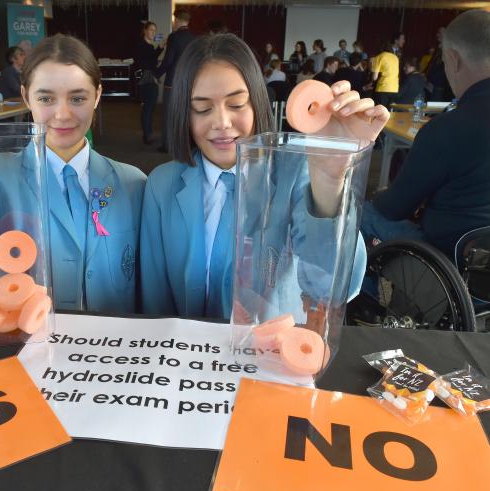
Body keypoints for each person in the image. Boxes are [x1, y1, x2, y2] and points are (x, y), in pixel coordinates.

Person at [140, 34, 389, 319]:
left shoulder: (294, 173)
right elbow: (154, 303)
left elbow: (329, 289)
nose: (222, 123)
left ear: (257, 102)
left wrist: (329, 177)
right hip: (184, 356)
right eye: (202, 108)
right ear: (184, 112)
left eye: (236, 105)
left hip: (267, 355)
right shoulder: (162, 185)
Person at [0, 34, 147, 314]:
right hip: (25, 345)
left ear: (98, 96)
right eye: (46, 98)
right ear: (25, 97)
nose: (62, 114)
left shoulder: (133, 183)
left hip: (110, 348)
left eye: (78, 97)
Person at [360, 10, 490, 259]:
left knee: (359, 212)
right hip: (481, 270)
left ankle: (364, 292)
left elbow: (394, 209)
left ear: (454, 58)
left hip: (451, 262)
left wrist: (382, 195)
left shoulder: (448, 128)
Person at [155, 8, 195, 153]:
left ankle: (167, 145)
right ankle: (185, 144)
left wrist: (156, 74)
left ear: (176, 20)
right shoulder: (193, 38)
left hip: (172, 83)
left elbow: (168, 61)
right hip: (188, 82)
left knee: (168, 115)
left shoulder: (174, 37)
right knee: (185, 114)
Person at [135, 21, 163, 145]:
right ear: (145, 31)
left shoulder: (149, 45)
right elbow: (148, 63)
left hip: (148, 78)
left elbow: (151, 59)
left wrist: (159, 49)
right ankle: (147, 135)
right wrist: (159, 50)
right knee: (148, 107)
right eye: (151, 30)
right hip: (146, 79)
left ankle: (148, 133)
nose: (153, 32)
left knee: (150, 107)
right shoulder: (142, 45)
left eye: (154, 30)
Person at [372, 41, 399, 108]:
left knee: (380, 111)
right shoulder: (396, 57)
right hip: (394, 88)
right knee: (390, 113)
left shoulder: (379, 57)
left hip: (383, 88)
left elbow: (374, 77)